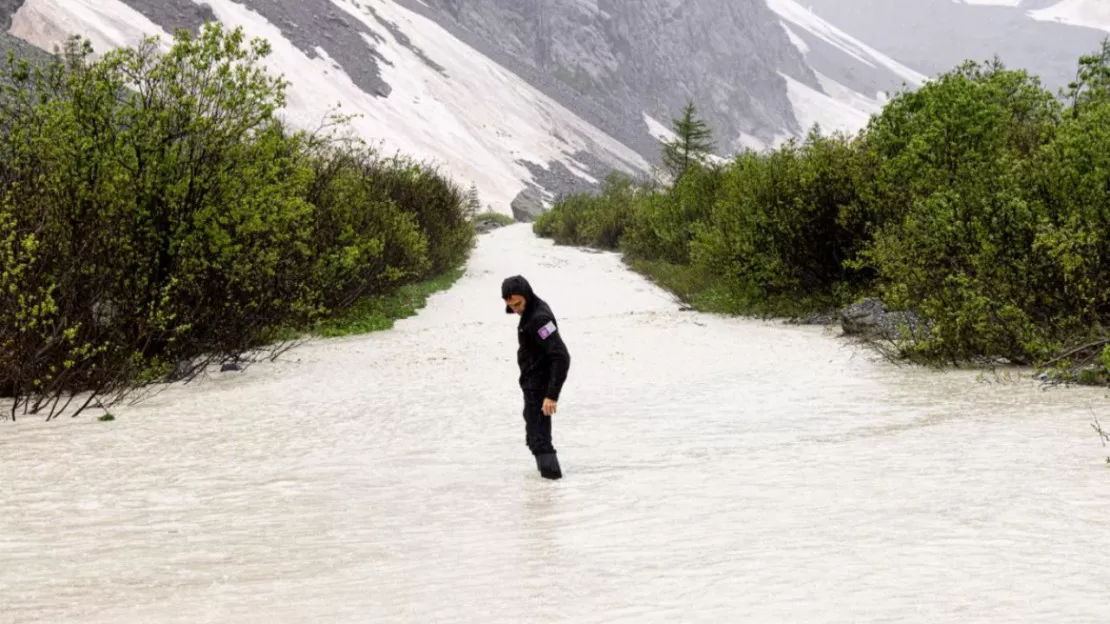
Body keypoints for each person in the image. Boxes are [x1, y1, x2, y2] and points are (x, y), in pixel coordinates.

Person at [502, 275, 570, 480]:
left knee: (539, 438)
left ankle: (552, 487)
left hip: (541, 386)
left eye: (518, 304)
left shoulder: (540, 319)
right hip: (531, 383)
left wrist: (551, 395)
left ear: (527, 296)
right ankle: (545, 491)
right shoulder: (529, 307)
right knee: (534, 435)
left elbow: (561, 356)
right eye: (511, 306)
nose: (516, 309)